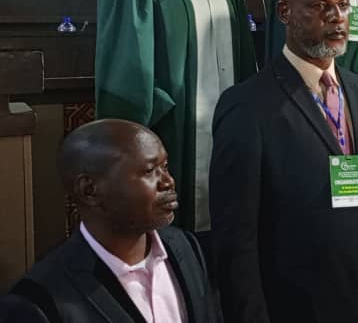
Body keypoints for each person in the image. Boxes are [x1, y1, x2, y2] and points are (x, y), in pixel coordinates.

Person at [210, 0, 358, 322]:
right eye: (320, 6)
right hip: (300, 306)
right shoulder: (248, 106)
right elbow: (236, 239)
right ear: (285, 12)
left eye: (343, 6)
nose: (337, 18)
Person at [95, 0, 257, 233]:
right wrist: (137, 132)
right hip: (172, 126)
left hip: (225, 124)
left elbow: (244, 59)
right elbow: (127, 67)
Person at [6, 119, 220, 322]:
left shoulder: (186, 248)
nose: (168, 181)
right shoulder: (38, 302)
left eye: (164, 167)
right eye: (149, 171)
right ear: (89, 190)